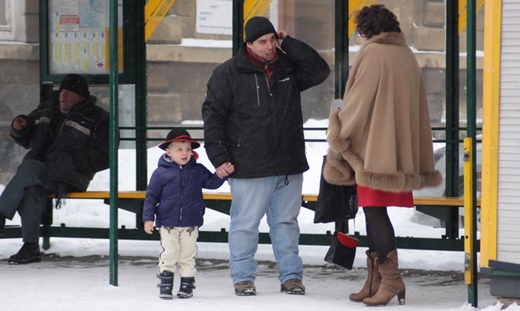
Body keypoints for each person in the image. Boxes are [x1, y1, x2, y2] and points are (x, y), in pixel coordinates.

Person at [202, 16, 330, 296]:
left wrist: (290, 44)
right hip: (248, 163)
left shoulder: (288, 67)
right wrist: (219, 157)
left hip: (287, 161)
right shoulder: (227, 73)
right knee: (245, 224)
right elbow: (213, 117)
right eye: (263, 42)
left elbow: (320, 71)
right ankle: (243, 278)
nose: (270, 46)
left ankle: (291, 277)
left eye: (273, 40)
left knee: (286, 223)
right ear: (248, 44)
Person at [323, 5, 442, 306]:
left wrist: (338, 123)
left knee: (374, 212)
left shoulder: (374, 54)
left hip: (374, 152)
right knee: (374, 212)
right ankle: (375, 281)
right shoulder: (405, 54)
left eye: (360, 30)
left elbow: (359, 103)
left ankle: (390, 281)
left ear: (366, 30)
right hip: (397, 151)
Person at [0, 73, 110, 264]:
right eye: (62, 91)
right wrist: (21, 126)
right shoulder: (47, 108)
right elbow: (27, 137)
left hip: (70, 175)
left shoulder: (97, 117)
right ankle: (31, 246)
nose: (63, 95)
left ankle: (0, 213)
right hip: (40, 172)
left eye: (69, 92)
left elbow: (104, 156)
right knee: (30, 190)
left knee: (29, 168)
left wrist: (71, 161)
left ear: (81, 97)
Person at [142, 128, 233, 300]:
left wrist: (222, 173)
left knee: (187, 256)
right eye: (179, 149)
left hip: (191, 223)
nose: (185, 153)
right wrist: (148, 219)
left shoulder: (197, 170)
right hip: (168, 223)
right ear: (168, 151)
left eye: (188, 149)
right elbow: (151, 198)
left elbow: (212, 183)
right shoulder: (160, 173)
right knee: (169, 254)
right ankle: (166, 284)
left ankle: (187, 285)